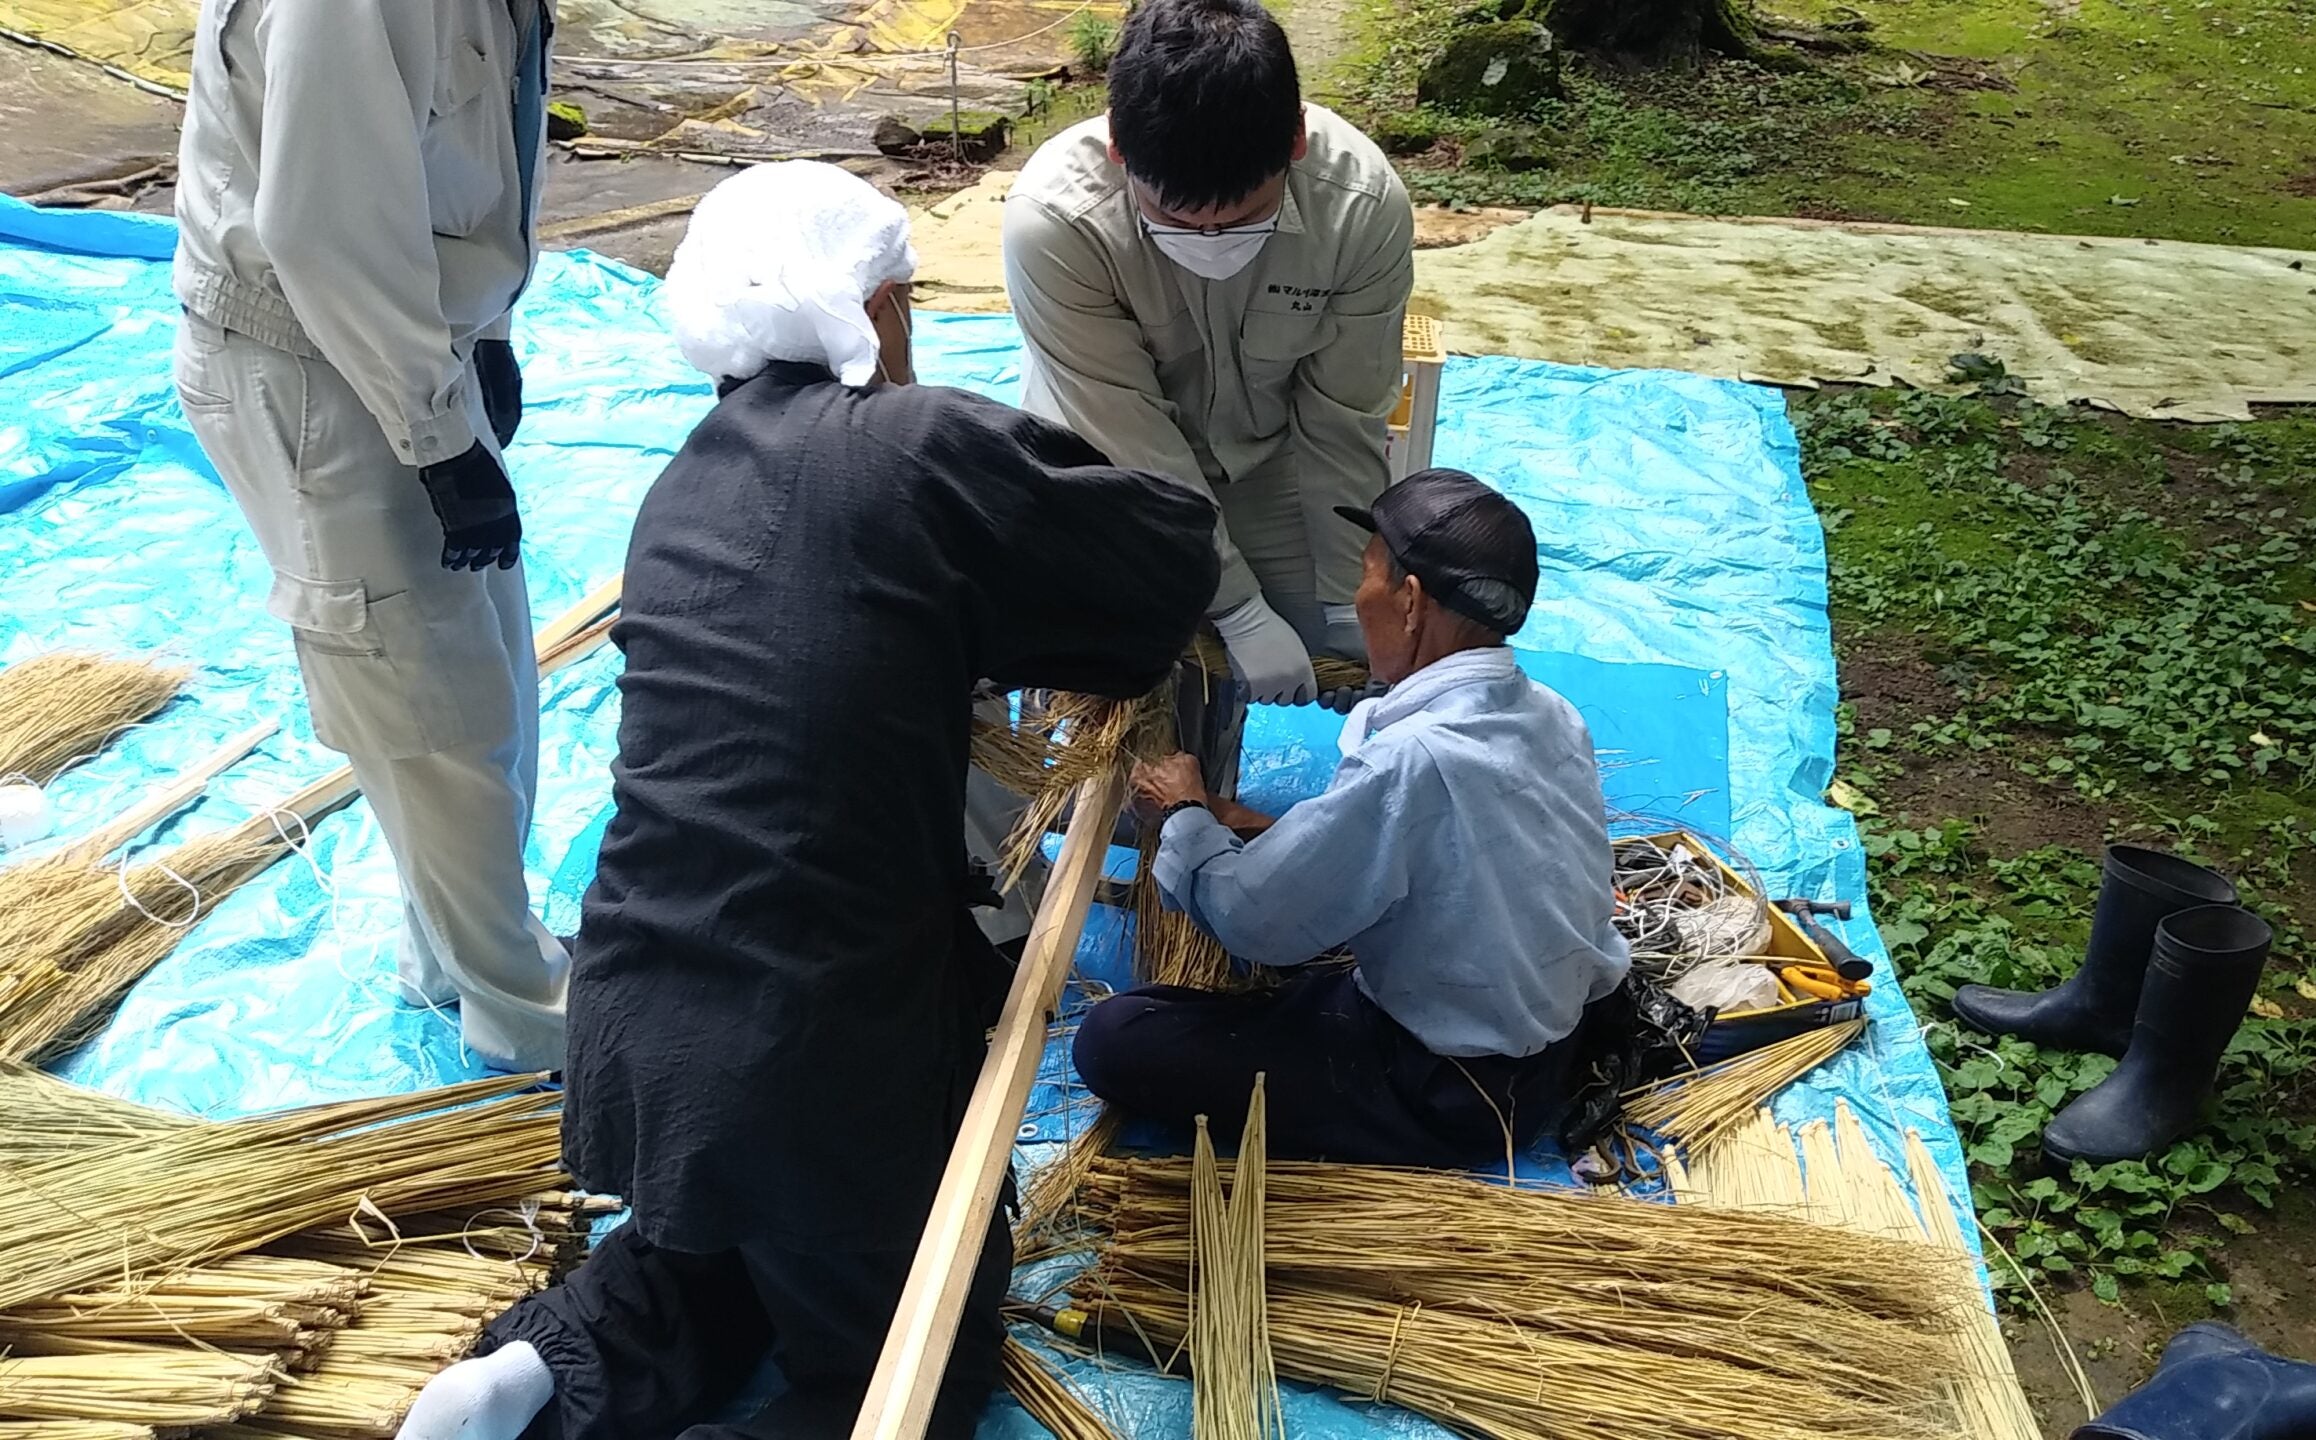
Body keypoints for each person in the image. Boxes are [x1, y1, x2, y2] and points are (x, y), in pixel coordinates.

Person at [391, 163, 1219, 1440]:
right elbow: (1157, 560)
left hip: (632, 1029)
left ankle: (547, 1370)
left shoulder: (682, 482)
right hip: (815, 1042)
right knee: (910, 1351)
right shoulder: (920, 439)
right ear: (877, 305)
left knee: (713, 1245)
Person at [171, 0, 569, 1070]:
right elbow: (323, 230)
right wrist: (435, 431)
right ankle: (525, 1016)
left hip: (403, 336)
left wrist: (481, 338)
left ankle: (453, 957)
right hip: (314, 359)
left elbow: (448, 153)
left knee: (486, 678)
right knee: (434, 707)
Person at [1071, 469, 1632, 1168]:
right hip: (1560, 1037)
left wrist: (1184, 812)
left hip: (1453, 1094)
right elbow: (1431, 856)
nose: (1356, 598)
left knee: (1115, 1036)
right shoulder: (1551, 712)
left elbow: (1257, 921)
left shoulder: (1411, 758)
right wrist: (1244, 826)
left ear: (1411, 603)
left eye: (1365, 578)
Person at [1002, 0, 1414, 721]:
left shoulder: (1362, 206)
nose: (1213, 240)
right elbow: (1130, 436)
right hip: (1103, 468)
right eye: (1178, 221)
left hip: (1266, 463)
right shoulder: (1057, 221)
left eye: (1242, 217)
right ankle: (1085, 788)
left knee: (1296, 651)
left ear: (1295, 144)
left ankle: (1203, 798)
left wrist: (1347, 594)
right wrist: (1238, 607)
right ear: (1118, 151)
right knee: (1108, 654)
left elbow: (1342, 416)